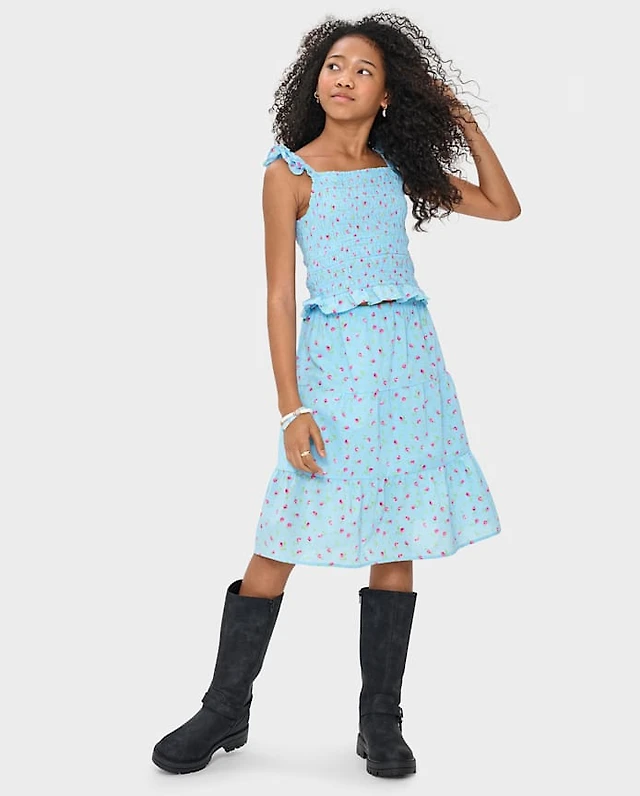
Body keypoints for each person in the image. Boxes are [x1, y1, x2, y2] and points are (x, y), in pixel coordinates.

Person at [152, 11, 520, 779]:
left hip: (411, 369)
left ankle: (380, 720)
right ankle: (225, 706)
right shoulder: (289, 173)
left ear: (387, 97)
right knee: (282, 531)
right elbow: (279, 296)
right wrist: (291, 407)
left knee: (395, 536)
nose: (344, 77)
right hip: (335, 372)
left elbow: (501, 205)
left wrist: (462, 119)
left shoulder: (397, 169)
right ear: (313, 81)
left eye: (363, 70)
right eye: (333, 65)